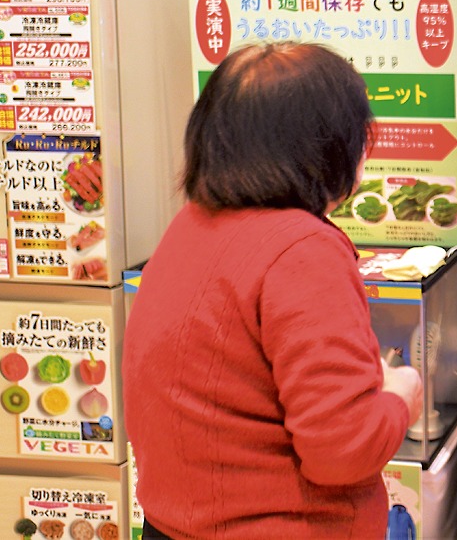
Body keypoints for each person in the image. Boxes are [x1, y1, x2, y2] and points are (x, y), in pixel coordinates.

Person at [123, 42, 422, 539]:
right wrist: (400, 397)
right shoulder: (302, 249)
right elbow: (342, 451)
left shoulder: (189, 227)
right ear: (328, 147)